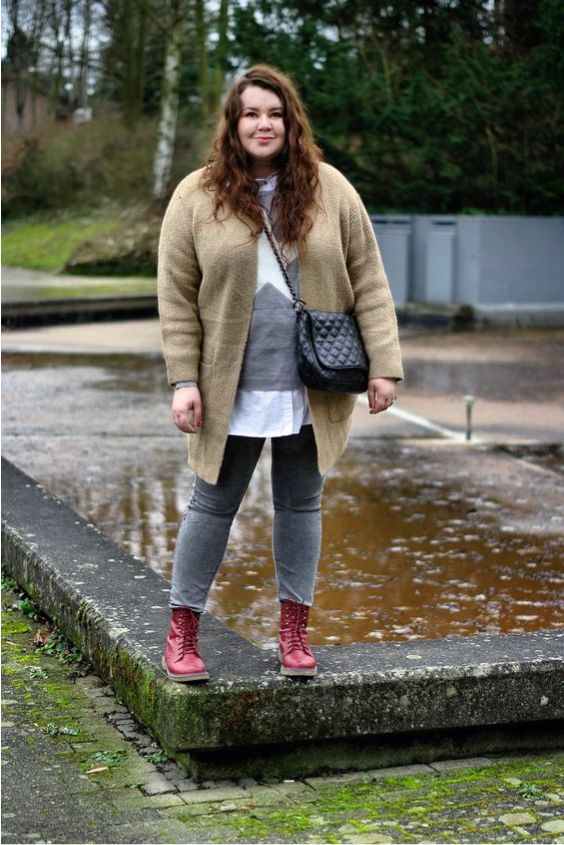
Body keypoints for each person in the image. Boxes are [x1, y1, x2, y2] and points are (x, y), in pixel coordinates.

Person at [157, 64, 403, 683]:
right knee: (211, 504)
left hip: (312, 381)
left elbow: (369, 280)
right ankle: (182, 629)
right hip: (228, 386)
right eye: (251, 114)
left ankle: (294, 633)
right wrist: (184, 379)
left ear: (291, 122)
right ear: (233, 124)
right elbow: (175, 296)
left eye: (274, 113)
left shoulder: (332, 190)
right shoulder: (196, 196)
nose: (263, 124)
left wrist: (385, 366)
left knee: (301, 506)